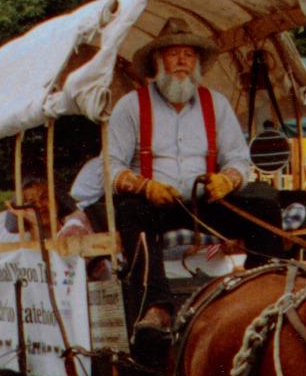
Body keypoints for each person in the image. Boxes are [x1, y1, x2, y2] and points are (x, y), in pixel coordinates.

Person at [87, 19, 282, 338]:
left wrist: (228, 180)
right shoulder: (131, 106)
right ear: (157, 61)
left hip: (204, 203)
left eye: (189, 55)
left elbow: (238, 159)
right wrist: (144, 186)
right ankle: (157, 308)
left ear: (197, 64)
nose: (182, 61)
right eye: (173, 54)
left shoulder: (215, 104)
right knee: (131, 211)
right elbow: (110, 167)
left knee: (266, 209)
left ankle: (259, 293)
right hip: (153, 205)